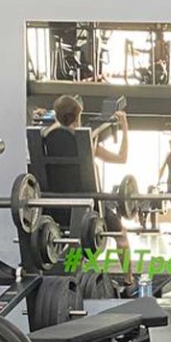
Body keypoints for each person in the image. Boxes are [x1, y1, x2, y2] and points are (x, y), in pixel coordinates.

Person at [43, 94, 132, 282]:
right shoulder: (86, 143)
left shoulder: (44, 139)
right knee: (121, 235)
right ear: (77, 117)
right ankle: (129, 280)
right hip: (87, 210)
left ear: (57, 115)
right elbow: (122, 158)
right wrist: (124, 127)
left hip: (55, 209)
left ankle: (70, 276)